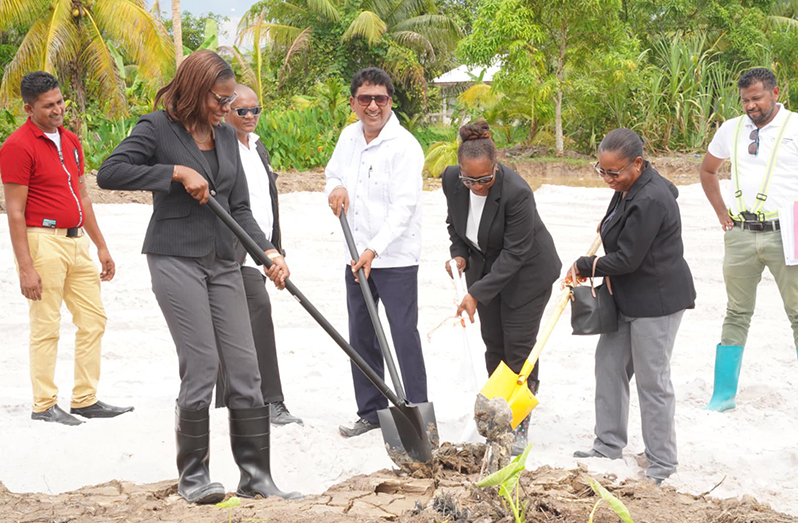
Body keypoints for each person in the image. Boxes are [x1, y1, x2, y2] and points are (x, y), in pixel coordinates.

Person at [97, 50, 299, 503]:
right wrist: (174, 172)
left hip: (225, 261)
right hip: (174, 257)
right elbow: (109, 173)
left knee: (246, 370)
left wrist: (267, 252)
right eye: (220, 99)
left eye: (231, 101)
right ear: (195, 88)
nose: (226, 109)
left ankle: (256, 478)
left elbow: (240, 207)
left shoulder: (226, 137)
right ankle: (194, 478)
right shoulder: (155, 128)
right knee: (203, 363)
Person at [0, 71, 133, 426]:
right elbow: (14, 211)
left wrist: (101, 246)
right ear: (29, 108)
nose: (57, 109)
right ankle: (44, 405)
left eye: (59, 102)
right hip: (41, 241)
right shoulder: (17, 146)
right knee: (46, 325)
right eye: (48, 106)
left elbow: (83, 196)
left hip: (77, 242)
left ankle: (85, 399)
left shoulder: (71, 140)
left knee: (93, 320)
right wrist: (26, 268)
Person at [569, 128, 695, 486]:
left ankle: (661, 463)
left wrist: (583, 266)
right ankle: (608, 445)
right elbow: (618, 227)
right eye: (602, 171)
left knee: (653, 382)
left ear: (638, 163)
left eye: (615, 172)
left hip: (657, 300)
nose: (608, 179)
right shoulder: (629, 187)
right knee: (608, 366)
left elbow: (627, 259)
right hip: (626, 296)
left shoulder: (650, 198)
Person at [441, 121, 561, 454]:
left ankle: (519, 422)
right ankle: (499, 412)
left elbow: (516, 253)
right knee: (493, 344)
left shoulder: (517, 192)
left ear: (497, 165)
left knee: (519, 350)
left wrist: (475, 293)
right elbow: (456, 226)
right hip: (486, 271)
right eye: (469, 179)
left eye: (484, 179)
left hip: (528, 275)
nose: (476, 186)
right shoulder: (451, 180)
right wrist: (459, 256)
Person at [325, 67, 428, 438]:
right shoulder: (348, 137)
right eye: (365, 98)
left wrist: (374, 249)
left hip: (395, 258)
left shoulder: (405, 146)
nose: (373, 106)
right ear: (353, 103)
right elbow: (332, 174)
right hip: (355, 256)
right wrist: (335, 189)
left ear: (389, 102)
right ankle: (370, 411)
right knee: (362, 334)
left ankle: (415, 409)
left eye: (380, 99)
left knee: (402, 334)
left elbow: (404, 209)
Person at [699, 67, 798, 412]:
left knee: (797, 313)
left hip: (787, 232)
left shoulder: (795, 127)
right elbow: (707, 169)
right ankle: (722, 396)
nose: (751, 106)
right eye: (745, 100)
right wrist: (721, 214)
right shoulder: (732, 129)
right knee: (736, 313)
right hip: (741, 234)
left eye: (757, 98)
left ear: (775, 91)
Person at [215, 84, 302, 426]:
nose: (250, 117)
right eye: (242, 111)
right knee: (258, 312)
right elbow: (233, 206)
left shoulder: (257, 146)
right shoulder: (221, 147)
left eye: (256, 110)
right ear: (226, 111)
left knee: (237, 318)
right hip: (236, 248)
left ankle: (230, 398)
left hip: (263, 246)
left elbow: (267, 200)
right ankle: (271, 401)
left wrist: (274, 247)